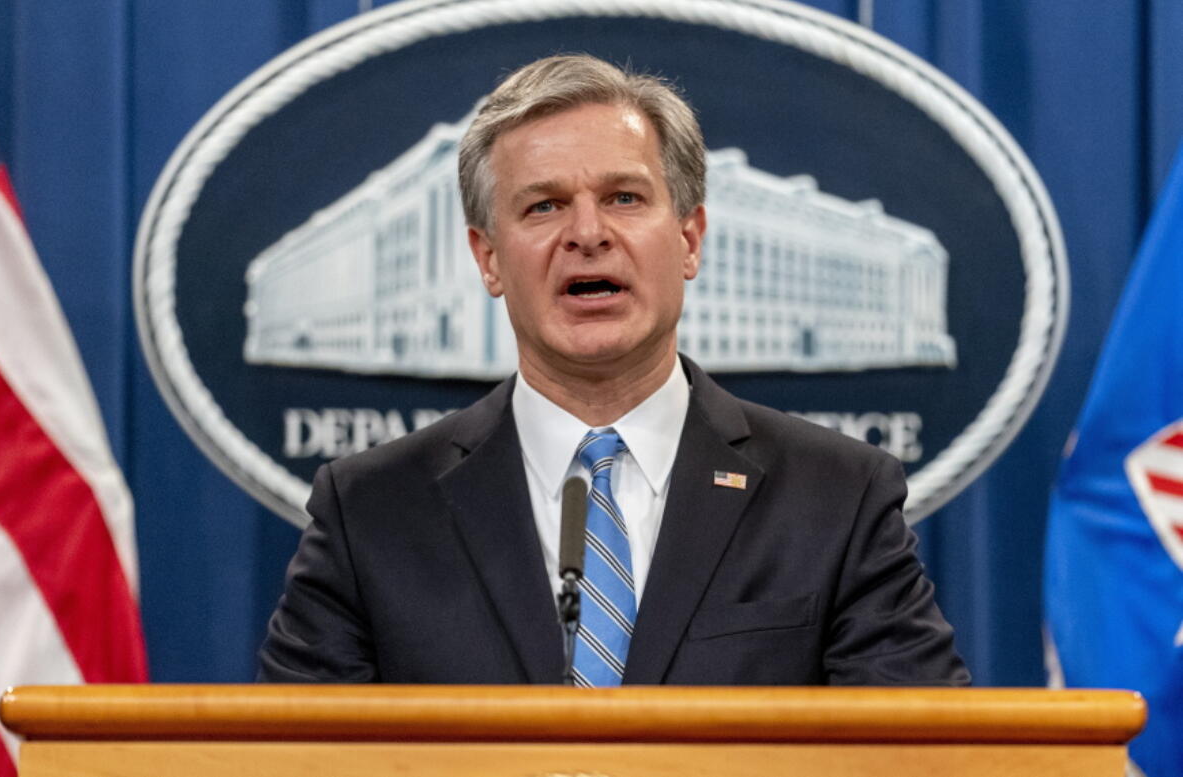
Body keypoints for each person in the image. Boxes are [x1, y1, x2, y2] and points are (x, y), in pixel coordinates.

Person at [258, 54, 970, 686]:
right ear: (488, 259)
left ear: (689, 240)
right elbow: (294, 763)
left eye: (624, 198)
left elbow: (922, 759)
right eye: (544, 205)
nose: (588, 233)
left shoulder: (837, 499)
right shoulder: (371, 512)